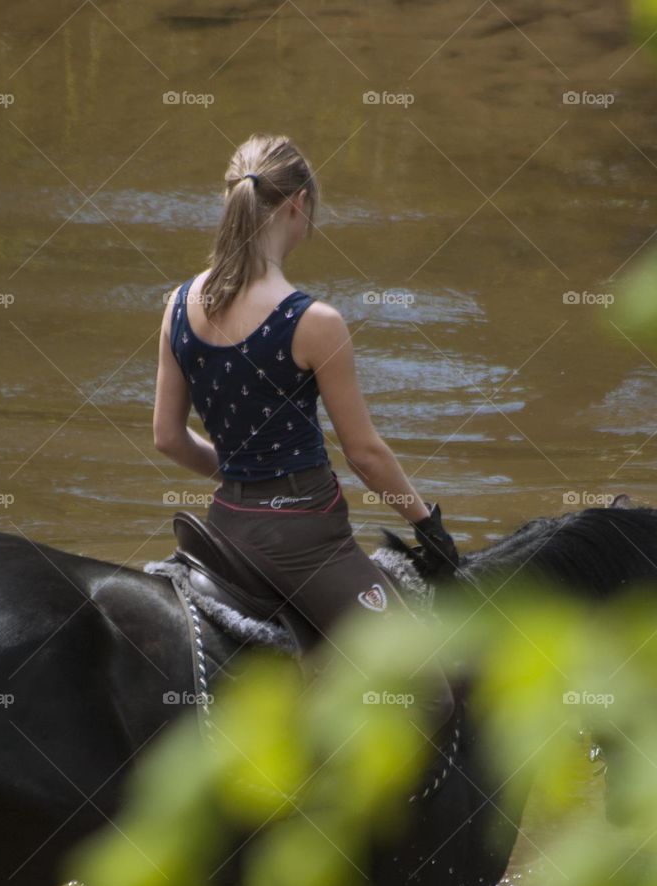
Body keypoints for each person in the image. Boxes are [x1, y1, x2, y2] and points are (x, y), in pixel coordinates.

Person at [153, 133, 457, 745]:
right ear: (297, 206)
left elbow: (168, 439)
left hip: (223, 530)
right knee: (430, 690)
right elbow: (366, 455)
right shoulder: (314, 322)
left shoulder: (179, 305)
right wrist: (427, 525)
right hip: (306, 541)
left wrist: (243, 479)